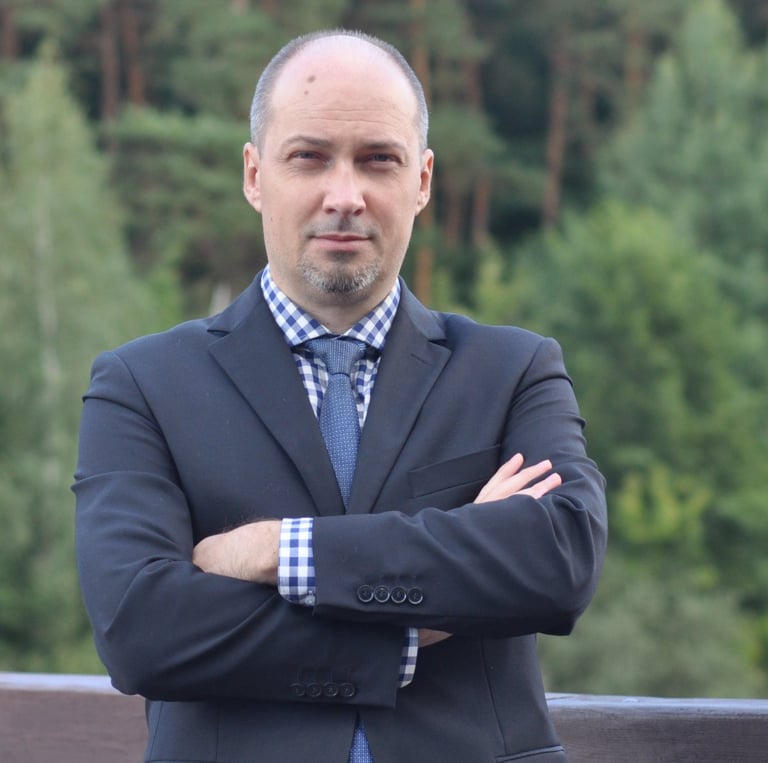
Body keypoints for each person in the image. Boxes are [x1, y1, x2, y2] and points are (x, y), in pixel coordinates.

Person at [73, 28, 607, 763]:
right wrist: (425, 607)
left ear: (421, 181)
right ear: (256, 174)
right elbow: (141, 630)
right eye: (310, 157)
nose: (345, 195)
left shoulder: (511, 369)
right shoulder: (143, 386)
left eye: (377, 160)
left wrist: (278, 549)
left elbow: (558, 559)